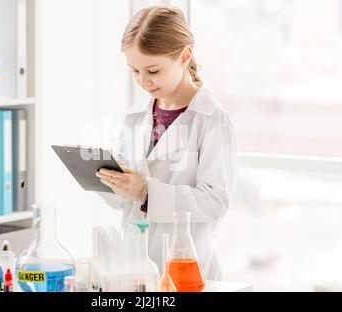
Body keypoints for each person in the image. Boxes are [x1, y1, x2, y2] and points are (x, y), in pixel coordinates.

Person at [96, 6, 238, 281]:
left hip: (189, 269)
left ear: (184, 56)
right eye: (135, 71)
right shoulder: (136, 116)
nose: (143, 81)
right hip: (136, 268)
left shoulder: (211, 120)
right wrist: (112, 181)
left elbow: (215, 201)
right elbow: (126, 202)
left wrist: (147, 191)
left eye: (153, 70)